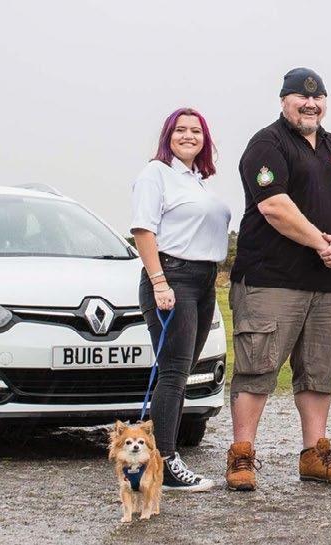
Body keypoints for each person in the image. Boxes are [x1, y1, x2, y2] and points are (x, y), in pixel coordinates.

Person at [225, 68, 331, 492]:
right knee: (257, 366)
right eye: (301, 98)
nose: (310, 104)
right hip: (270, 279)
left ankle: (314, 455)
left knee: (319, 369)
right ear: (284, 100)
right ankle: (241, 455)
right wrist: (323, 242)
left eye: (318, 98)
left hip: (324, 283)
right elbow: (274, 206)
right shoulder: (267, 144)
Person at [130, 107, 230, 492]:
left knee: (182, 371)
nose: (188, 136)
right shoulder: (155, 173)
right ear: (167, 136)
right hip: (173, 277)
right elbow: (143, 230)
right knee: (173, 372)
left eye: (196, 131)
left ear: (205, 139)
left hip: (204, 281)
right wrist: (159, 282)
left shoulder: (198, 181)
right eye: (180, 130)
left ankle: (161, 457)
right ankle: (164, 463)